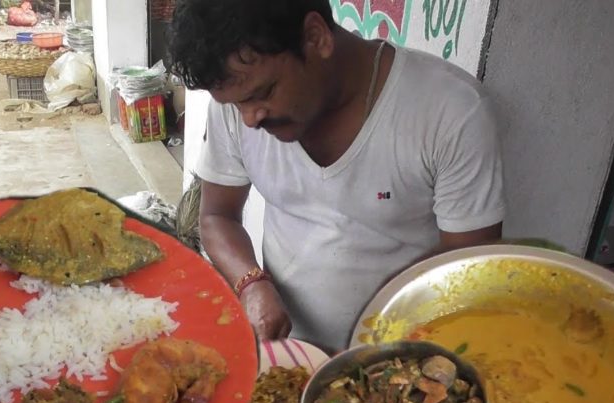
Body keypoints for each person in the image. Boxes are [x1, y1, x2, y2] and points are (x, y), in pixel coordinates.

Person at [169, 0, 506, 353]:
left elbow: (468, 263)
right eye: (235, 105)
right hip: (290, 353)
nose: (250, 119)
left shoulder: (452, 114)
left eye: (263, 93)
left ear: (316, 37)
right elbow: (216, 216)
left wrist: (378, 337)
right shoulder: (240, 106)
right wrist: (251, 283)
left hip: (401, 362)